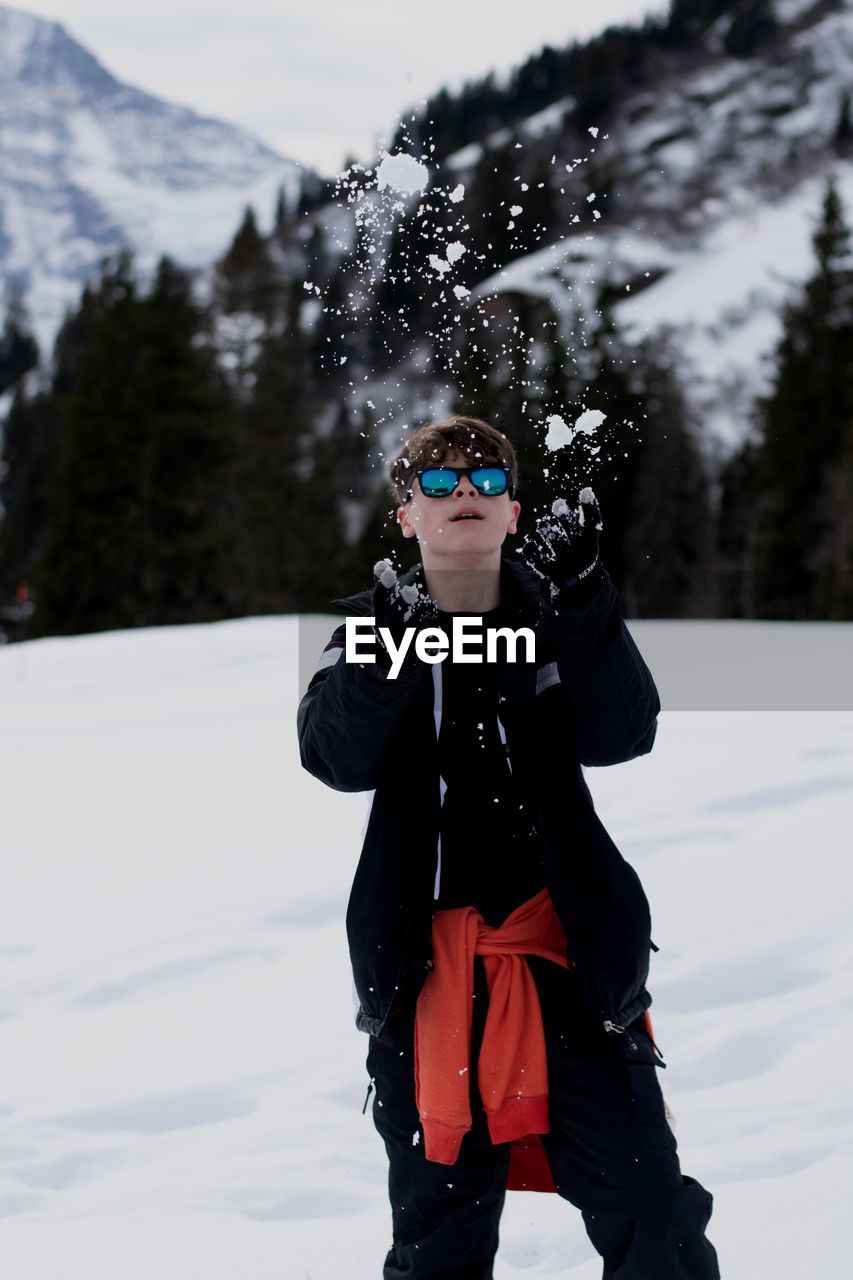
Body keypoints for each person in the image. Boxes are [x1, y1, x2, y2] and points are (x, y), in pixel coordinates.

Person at [297, 415, 720, 1279]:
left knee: (653, 1215)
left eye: (486, 482)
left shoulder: (557, 611)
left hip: (569, 970)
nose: (464, 494)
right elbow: (335, 760)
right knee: (438, 1244)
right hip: (424, 982)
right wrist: (388, 654)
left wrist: (586, 599)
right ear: (406, 515)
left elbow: (622, 732)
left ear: (514, 512)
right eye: (439, 482)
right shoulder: (374, 630)